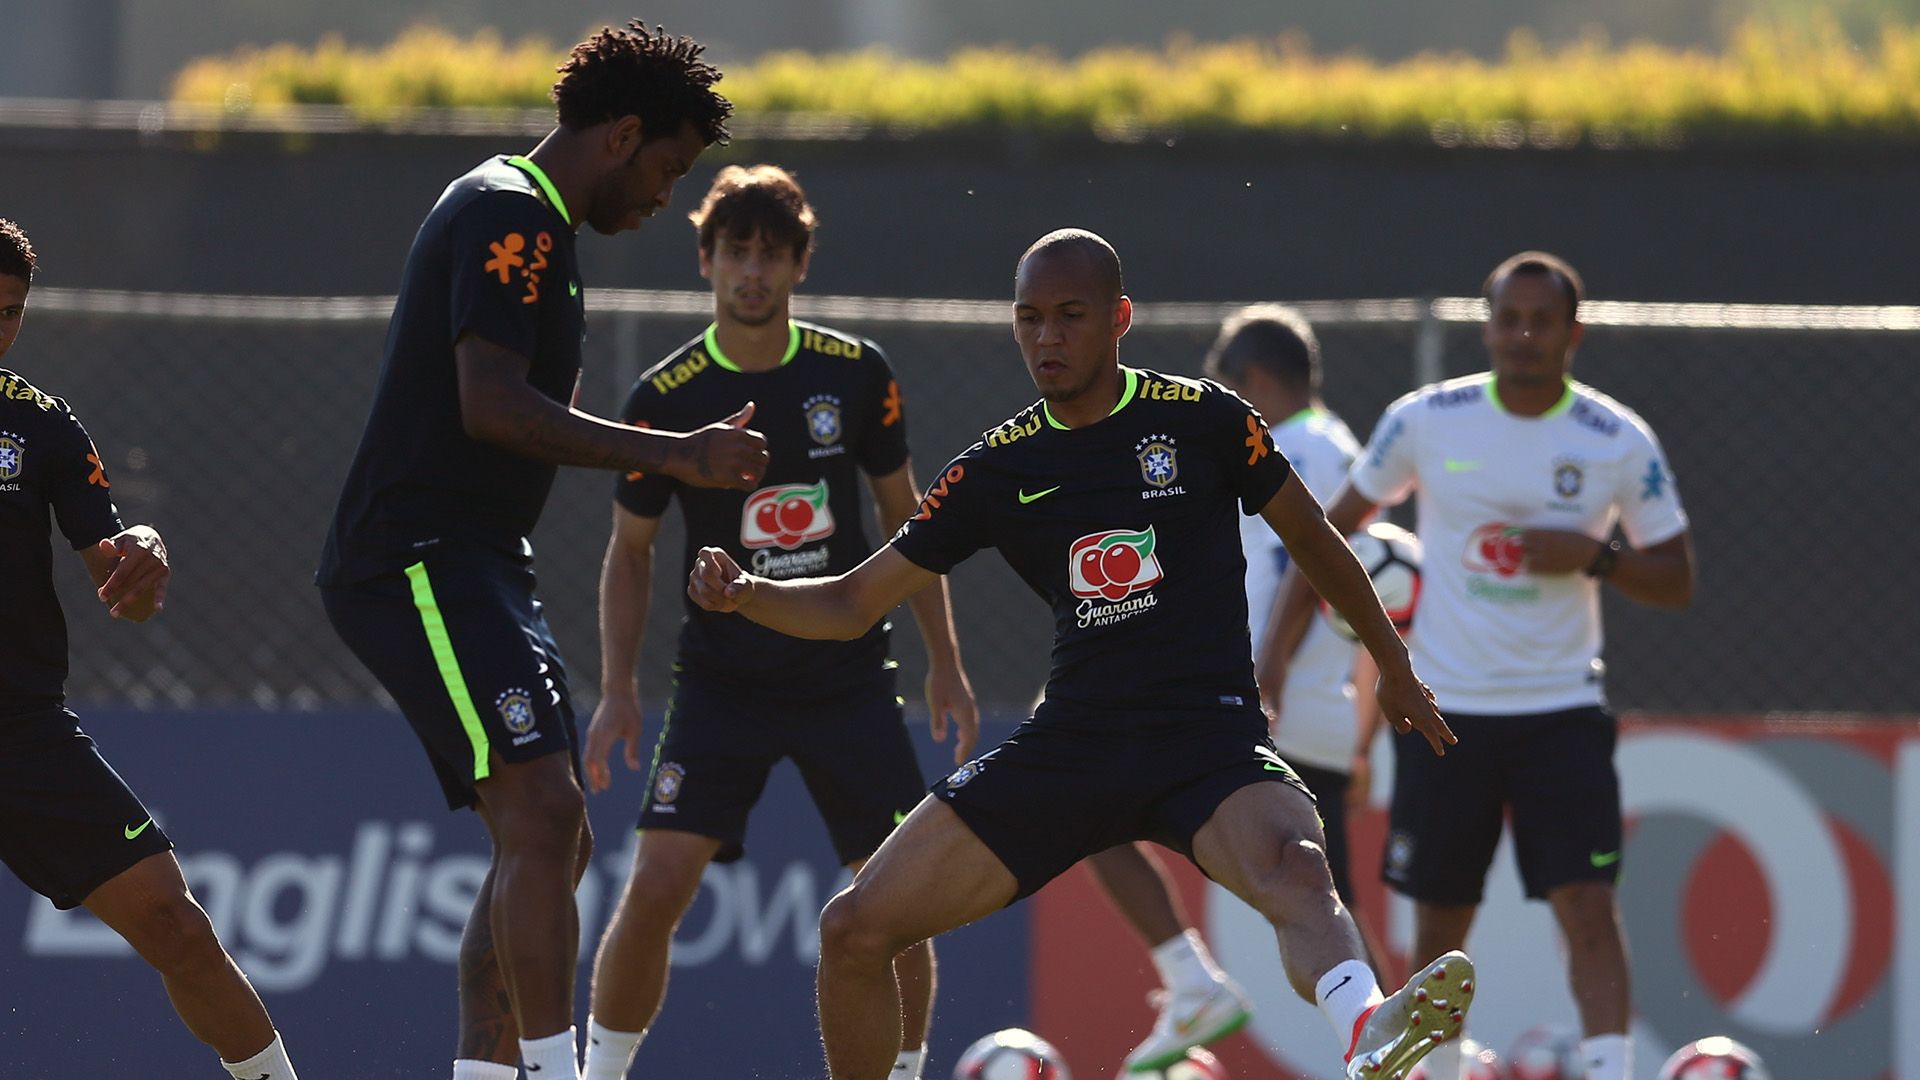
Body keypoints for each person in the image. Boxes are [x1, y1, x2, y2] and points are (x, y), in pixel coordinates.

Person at [687, 229, 1475, 1080]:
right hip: (1073, 744)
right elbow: (851, 603)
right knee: (851, 929)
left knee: (1296, 865)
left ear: (1119, 318)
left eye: (1070, 316)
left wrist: (1393, 665)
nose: (1047, 337)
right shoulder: (994, 467)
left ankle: (1366, 1030)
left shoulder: (1205, 419)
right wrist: (748, 595)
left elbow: (1317, 539)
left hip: (1205, 739)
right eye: (1029, 318)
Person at [315, 25, 766, 1080]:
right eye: (667, 167)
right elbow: (492, 409)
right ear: (620, 136)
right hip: (416, 554)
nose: (665, 195)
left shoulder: (539, 225)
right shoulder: (509, 213)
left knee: (553, 838)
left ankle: (487, 1072)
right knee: (546, 812)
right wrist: (679, 455)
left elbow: (520, 414)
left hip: (478, 559)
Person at [578, 164, 980, 1080]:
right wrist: (616, 691)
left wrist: (944, 664)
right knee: (654, 890)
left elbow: (910, 521)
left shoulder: (855, 373)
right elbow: (631, 550)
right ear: (706, 262)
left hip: (845, 677)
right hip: (722, 683)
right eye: (735, 252)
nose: (751, 271)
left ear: (800, 264)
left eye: (771, 253)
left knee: (895, 901)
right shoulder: (664, 396)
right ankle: (598, 1074)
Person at [1276, 251, 1694, 1080]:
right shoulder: (1427, 420)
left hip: (1562, 707)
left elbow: (1676, 579)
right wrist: (1271, 663)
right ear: (1486, 325)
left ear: (1574, 335)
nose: (1524, 335)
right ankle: (1441, 1070)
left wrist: (1593, 556)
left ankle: (1610, 1069)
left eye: (1543, 321)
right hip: (1446, 711)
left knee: (1588, 905)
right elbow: (1325, 535)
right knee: (1440, 921)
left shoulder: (1615, 438)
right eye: (1510, 318)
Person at [0, 218, 300, 1079]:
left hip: (21, 734)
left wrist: (147, 548)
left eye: (12, 312)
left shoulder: (44, 429)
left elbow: (122, 591)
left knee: (178, 927)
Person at [1210, 305, 1389, 970]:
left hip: (1280, 702)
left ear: (1253, 380)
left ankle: (1400, 1058)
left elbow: (1312, 564)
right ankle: (1391, 1050)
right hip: (1313, 703)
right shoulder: (1336, 444)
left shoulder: (1301, 445)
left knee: (1321, 903)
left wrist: (1270, 665)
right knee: (1321, 896)